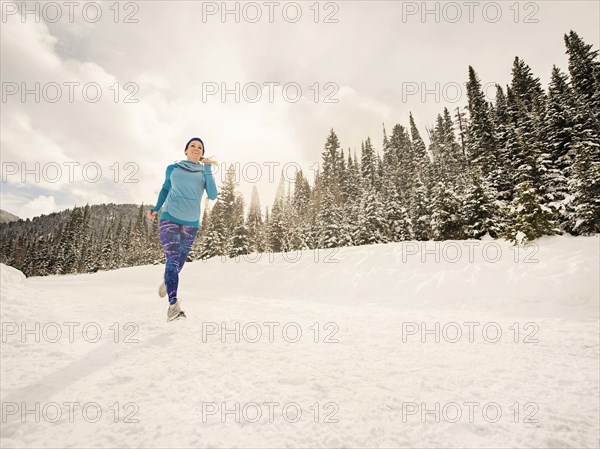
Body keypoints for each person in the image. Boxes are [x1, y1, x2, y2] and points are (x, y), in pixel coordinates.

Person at [147, 137, 218, 321]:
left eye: (200, 147)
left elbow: (212, 194)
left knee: (178, 263)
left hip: (191, 223)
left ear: (202, 153)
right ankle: (173, 306)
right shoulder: (173, 168)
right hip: (169, 217)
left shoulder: (204, 172)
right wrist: (156, 208)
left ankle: (167, 280)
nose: (196, 148)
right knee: (172, 258)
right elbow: (164, 189)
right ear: (185, 150)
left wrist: (208, 168)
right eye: (192, 146)